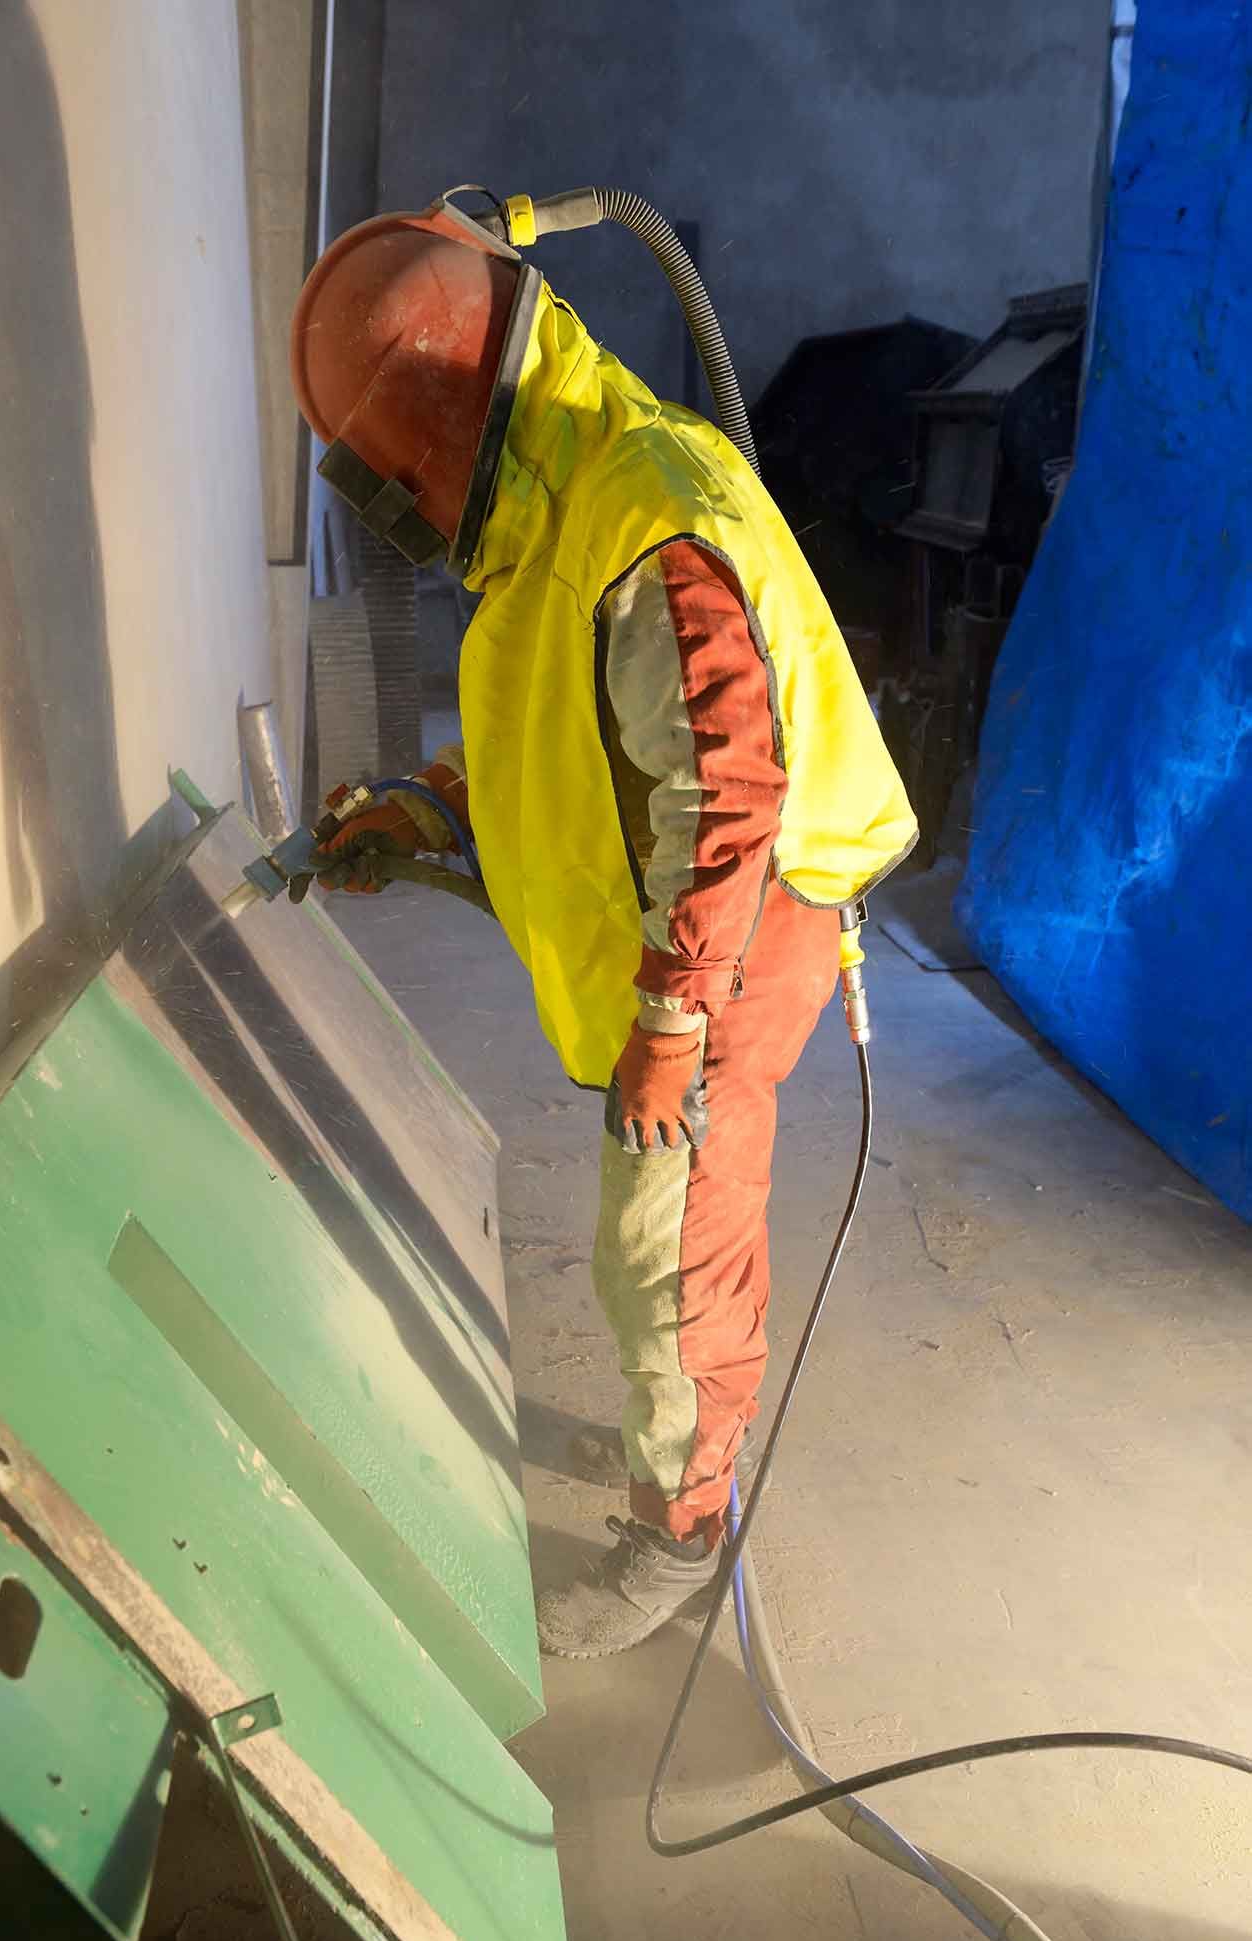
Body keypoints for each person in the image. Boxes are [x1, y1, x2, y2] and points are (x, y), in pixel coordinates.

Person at [290, 195, 915, 1659]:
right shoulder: (553, 508)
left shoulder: (638, 510)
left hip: (740, 925)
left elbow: (719, 792)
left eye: (394, 476)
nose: (399, 508)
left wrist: (672, 1020)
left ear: (444, 421)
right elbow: (573, 746)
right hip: (713, 913)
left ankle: (679, 1534)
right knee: (662, 1234)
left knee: (670, 1244)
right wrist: (427, 810)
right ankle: (673, 1442)